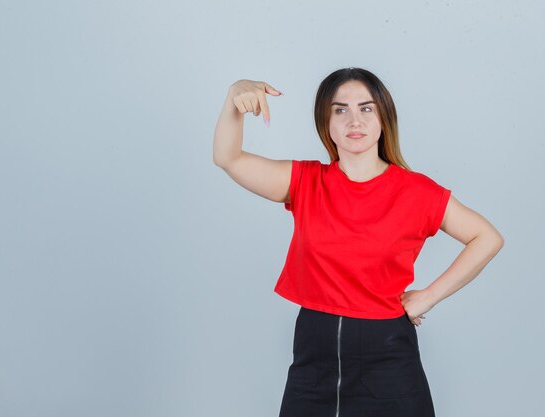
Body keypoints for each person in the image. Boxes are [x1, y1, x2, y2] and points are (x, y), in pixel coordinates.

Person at [212, 67, 504, 417]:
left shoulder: (416, 192)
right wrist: (233, 98)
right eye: (341, 110)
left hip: (388, 362)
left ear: (383, 117)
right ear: (327, 122)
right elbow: (227, 158)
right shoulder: (306, 181)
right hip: (313, 359)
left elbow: (486, 237)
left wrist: (428, 296)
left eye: (366, 108)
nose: (355, 120)